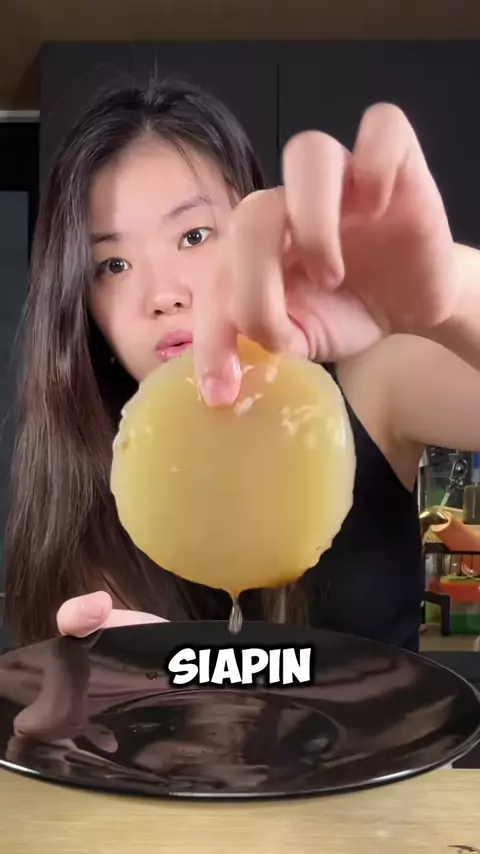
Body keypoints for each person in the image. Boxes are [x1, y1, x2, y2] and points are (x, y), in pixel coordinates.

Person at [4, 77, 480, 651]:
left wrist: (450, 292)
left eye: (194, 235)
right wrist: (120, 692)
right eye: (113, 266)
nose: (163, 295)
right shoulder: (80, 489)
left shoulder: (370, 381)